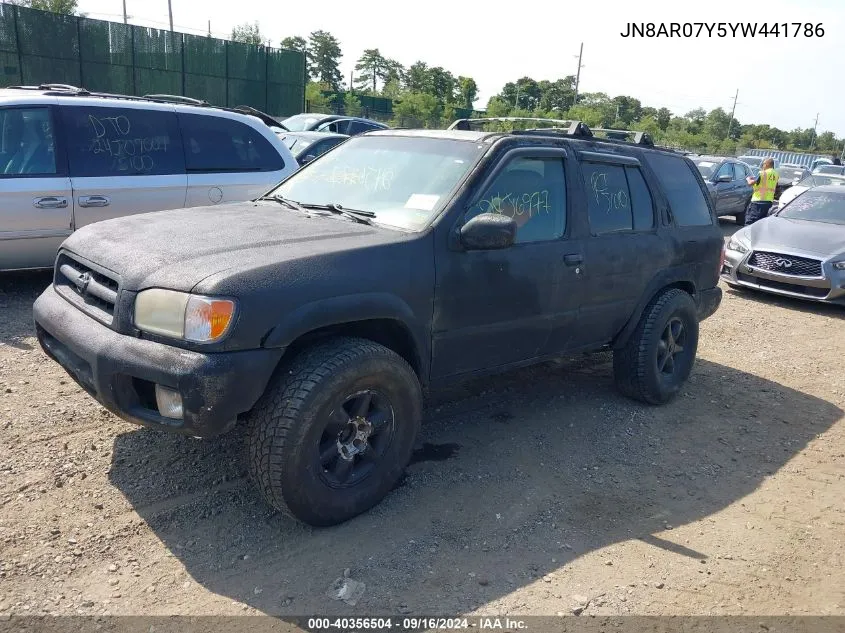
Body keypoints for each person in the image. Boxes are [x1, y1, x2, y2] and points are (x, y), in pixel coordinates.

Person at [744, 157, 778, 225]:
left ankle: (747, 235)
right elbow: (776, 185)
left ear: (767, 164)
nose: (763, 166)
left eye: (763, 164)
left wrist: (748, 179)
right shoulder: (776, 174)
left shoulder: (763, 173)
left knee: (750, 222)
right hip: (769, 202)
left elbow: (751, 183)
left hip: (758, 201)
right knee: (761, 223)